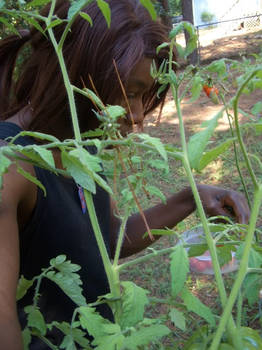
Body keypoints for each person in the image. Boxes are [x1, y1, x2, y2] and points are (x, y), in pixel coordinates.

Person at [0, 0, 250, 349]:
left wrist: (190, 198)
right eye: (130, 92)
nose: (136, 115)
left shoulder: (83, 142)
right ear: (76, 75)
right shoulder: (10, 163)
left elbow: (108, 237)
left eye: (144, 95)